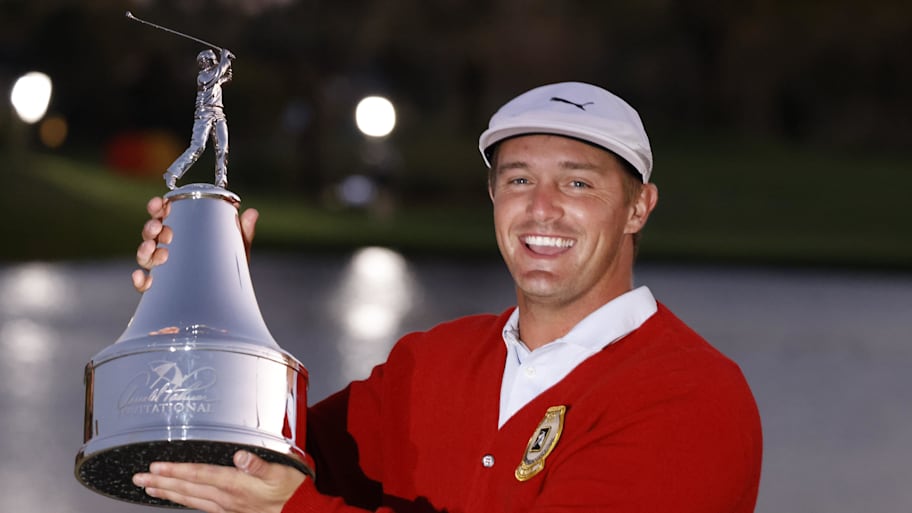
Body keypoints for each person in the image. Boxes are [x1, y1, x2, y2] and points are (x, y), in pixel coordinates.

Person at [132, 81, 763, 513]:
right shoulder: (431, 364)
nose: (542, 209)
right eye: (519, 179)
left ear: (637, 208)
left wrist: (293, 508)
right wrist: (204, 295)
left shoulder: (692, 395)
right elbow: (221, 461)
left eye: (578, 182)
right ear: (494, 197)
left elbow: (282, 499)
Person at [163, 47, 235, 190]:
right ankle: (172, 174)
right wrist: (224, 58)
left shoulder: (215, 75)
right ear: (204, 62)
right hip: (204, 114)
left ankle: (221, 183)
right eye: (211, 61)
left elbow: (226, 76)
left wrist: (228, 63)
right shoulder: (203, 77)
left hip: (219, 114)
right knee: (198, 147)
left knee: (222, 148)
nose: (212, 63)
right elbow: (218, 72)